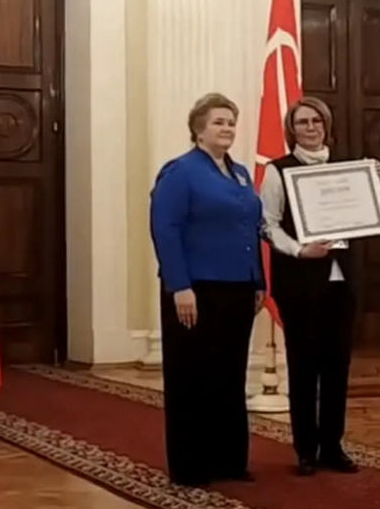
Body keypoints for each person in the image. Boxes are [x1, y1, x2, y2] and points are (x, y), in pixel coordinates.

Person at [259, 96, 380, 477]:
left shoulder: (350, 167)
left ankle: (332, 446)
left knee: (337, 367)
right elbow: (268, 224)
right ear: (291, 130)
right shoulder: (278, 171)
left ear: (326, 125)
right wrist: (300, 250)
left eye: (316, 121)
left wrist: (374, 179)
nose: (310, 128)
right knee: (303, 367)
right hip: (299, 282)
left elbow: (365, 212)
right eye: (302, 122)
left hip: (342, 283)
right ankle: (306, 450)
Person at [149, 92, 267, 487]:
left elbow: (251, 229)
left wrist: (258, 280)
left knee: (229, 375)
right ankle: (191, 465)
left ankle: (229, 460)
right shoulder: (180, 172)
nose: (227, 128)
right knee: (192, 376)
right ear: (198, 129)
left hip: (238, 288)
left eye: (231, 122)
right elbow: (165, 230)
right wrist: (179, 286)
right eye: (218, 122)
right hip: (196, 290)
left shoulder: (241, 174)